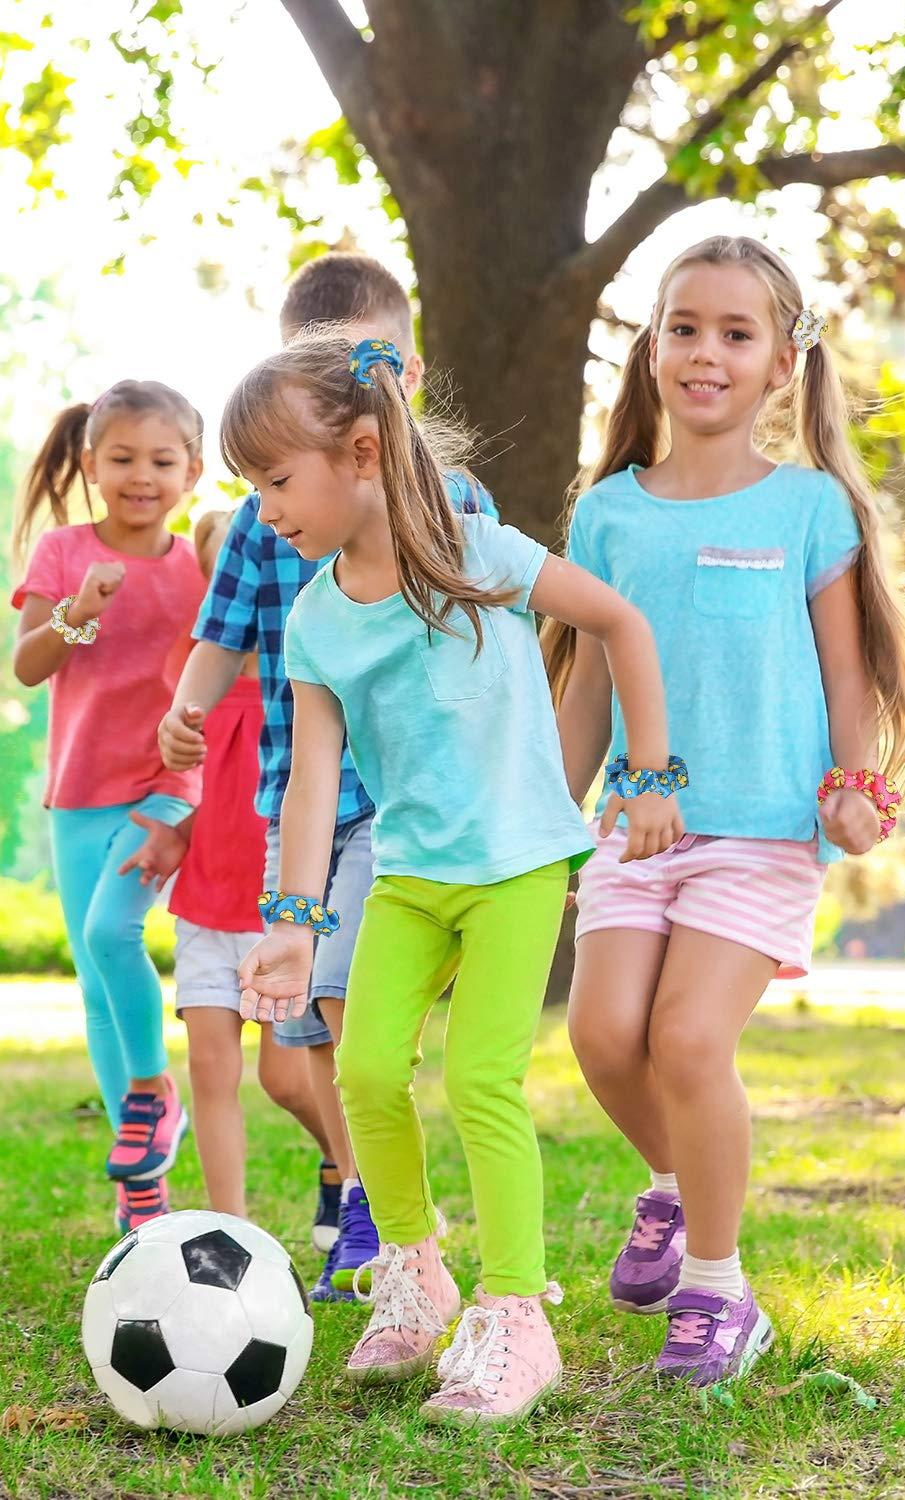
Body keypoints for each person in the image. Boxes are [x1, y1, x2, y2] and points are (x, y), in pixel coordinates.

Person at [226, 330, 678, 1424]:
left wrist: (648, 774)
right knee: (366, 1068)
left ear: (362, 452)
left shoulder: (484, 554)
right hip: (409, 875)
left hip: (517, 866)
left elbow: (620, 621)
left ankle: (518, 1318)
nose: (262, 509)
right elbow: (312, 782)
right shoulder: (316, 618)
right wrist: (292, 923)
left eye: (276, 480)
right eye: (252, 487)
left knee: (481, 1081)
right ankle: (417, 1276)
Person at [545, 234, 905, 1386]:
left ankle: (720, 1290)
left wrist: (857, 786)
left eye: (735, 333)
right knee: (601, 1035)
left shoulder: (809, 509)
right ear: (652, 349)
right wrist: (544, 815)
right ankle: (676, 1189)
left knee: (686, 1039)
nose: (705, 353)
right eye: (684, 328)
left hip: (763, 828)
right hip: (635, 826)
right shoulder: (609, 516)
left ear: (781, 363)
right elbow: (586, 686)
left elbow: (845, 672)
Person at [159, 252, 498, 1296]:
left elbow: (499, 637)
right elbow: (221, 634)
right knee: (300, 1023)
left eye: (373, 368)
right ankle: (359, 1190)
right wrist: (186, 710)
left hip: (401, 799)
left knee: (346, 996)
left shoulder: (454, 498)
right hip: (298, 803)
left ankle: (386, 1222)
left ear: (412, 375)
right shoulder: (266, 516)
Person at [11, 380, 208, 1232]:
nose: (141, 477)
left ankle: (154, 1094)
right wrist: (77, 613)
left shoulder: (199, 566)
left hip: (166, 785)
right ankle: (142, 1182)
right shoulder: (63, 553)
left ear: (192, 471)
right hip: (78, 794)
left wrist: (190, 804)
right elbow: (27, 666)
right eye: (123, 459)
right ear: (91, 464)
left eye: (162, 461)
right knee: (96, 985)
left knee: (109, 932)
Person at [165, 505, 340, 1222]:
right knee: (209, 1063)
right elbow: (183, 783)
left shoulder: (292, 688)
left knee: (286, 1078)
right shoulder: (195, 682)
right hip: (208, 895)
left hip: (279, 889)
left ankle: (346, 1171)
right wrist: (168, 833)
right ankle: (227, 1226)